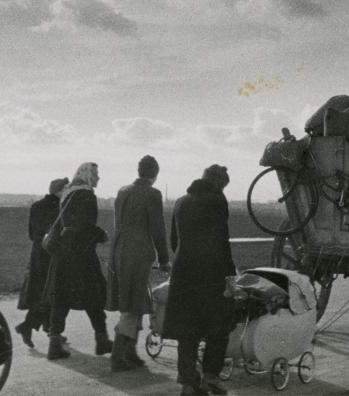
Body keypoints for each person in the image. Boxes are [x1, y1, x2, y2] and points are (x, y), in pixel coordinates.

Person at [162, 164, 235, 396]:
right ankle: (210, 378)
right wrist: (229, 274)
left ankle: (187, 382)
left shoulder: (181, 201)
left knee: (187, 329)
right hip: (211, 272)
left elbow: (175, 241)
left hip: (183, 272)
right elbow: (222, 240)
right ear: (219, 182)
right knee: (218, 326)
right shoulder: (217, 200)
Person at [107, 155, 171, 372]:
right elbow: (157, 228)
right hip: (137, 251)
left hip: (119, 249)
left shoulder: (123, 190)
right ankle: (119, 354)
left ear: (139, 170)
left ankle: (129, 352)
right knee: (133, 303)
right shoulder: (152, 194)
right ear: (155, 174)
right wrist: (164, 258)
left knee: (134, 300)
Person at [42, 162, 111, 360]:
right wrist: (101, 234)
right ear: (87, 175)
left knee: (61, 299)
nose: (98, 178)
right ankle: (102, 340)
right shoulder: (87, 195)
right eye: (96, 174)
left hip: (63, 255)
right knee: (94, 296)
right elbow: (84, 225)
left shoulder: (69, 193)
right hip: (81, 256)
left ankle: (54, 345)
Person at [14, 176, 69, 348]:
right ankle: (28, 326)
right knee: (50, 294)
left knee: (41, 293)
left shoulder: (36, 206)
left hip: (37, 254)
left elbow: (31, 234)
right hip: (52, 255)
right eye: (66, 189)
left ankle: (51, 330)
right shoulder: (61, 208)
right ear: (60, 191)